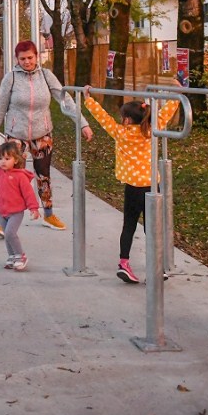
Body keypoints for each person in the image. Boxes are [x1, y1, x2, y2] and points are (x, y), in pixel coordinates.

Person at [0, 40, 93, 232]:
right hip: (16, 135)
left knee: (43, 175)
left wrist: (82, 123)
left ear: (36, 56)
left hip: (42, 134)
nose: (27, 62)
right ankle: (6, 219)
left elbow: (66, 100)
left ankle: (48, 215)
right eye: (22, 59)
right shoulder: (11, 78)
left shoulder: (46, 75)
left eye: (30, 57)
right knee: (11, 177)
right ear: (17, 60)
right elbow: (0, 108)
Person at [83, 87, 180, 284]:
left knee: (129, 225)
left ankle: (124, 263)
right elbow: (167, 112)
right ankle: (156, 267)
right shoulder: (153, 129)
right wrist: (177, 96)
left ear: (127, 120)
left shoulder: (121, 133)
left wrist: (88, 99)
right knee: (152, 228)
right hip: (151, 187)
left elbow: (103, 118)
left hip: (133, 188)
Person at [0, 140, 40, 270]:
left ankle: (20, 256)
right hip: (2, 212)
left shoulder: (20, 176)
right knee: (7, 235)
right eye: (0, 158)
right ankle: (12, 256)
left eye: (7, 159)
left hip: (16, 212)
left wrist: (33, 208)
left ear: (16, 160)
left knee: (10, 233)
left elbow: (28, 194)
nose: (3, 162)